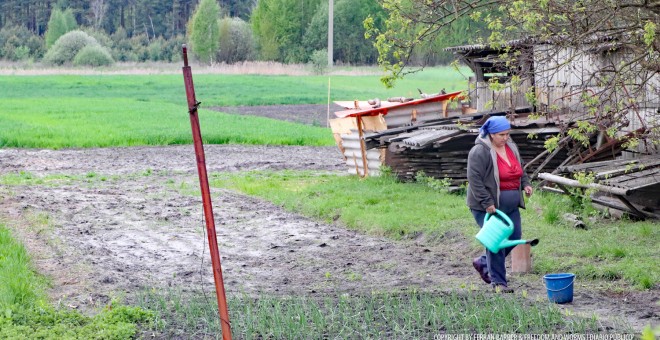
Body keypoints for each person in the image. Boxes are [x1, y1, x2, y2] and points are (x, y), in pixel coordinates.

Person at [466, 116, 533, 293]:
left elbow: (519, 168)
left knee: (514, 236)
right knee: (497, 240)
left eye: (507, 134)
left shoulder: (510, 146)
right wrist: (487, 202)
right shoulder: (479, 151)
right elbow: (474, 180)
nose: (505, 138)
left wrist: (525, 183)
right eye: (501, 135)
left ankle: (483, 261)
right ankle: (499, 283)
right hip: (487, 206)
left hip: (510, 205)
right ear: (491, 134)